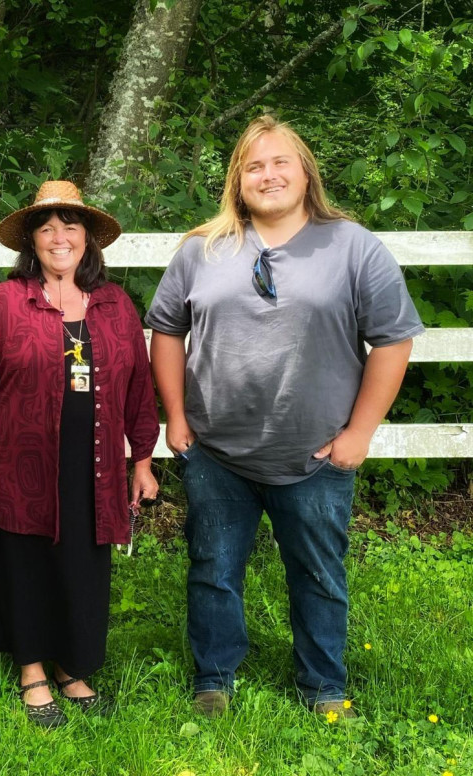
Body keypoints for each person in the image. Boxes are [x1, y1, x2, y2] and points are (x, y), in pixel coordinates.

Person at [146, 115, 424, 718]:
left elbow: (394, 339)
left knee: (318, 573)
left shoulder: (353, 246)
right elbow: (166, 329)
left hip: (315, 453)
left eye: (280, 163)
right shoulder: (202, 249)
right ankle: (214, 677)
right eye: (254, 166)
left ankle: (324, 686)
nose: (268, 175)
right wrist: (176, 416)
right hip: (216, 452)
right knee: (213, 570)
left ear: (305, 173)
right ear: (237, 180)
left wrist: (359, 433)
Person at [0, 180, 159, 728]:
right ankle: (32, 671)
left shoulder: (115, 306)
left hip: (94, 464)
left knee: (81, 563)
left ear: (88, 238)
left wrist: (142, 461)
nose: (58, 237)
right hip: (18, 464)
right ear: (32, 241)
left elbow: (139, 389)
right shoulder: (5, 303)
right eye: (46, 228)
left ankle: (71, 666)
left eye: (70, 226)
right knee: (24, 562)